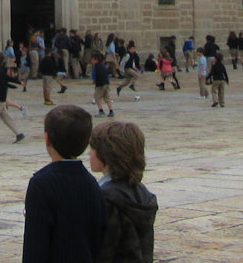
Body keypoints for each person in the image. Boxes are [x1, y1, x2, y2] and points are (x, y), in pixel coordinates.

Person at [22, 104, 105, 263]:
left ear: (47, 139)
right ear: (87, 142)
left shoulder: (41, 184)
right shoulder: (92, 183)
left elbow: (35, 245)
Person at [88, 119, 157, 263]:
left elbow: (103, 252)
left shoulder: (107, 199)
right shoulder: (141, 192)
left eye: (93, 148)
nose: (89, 153)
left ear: (106, 153)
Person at [91, 53, 114, 118]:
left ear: (96, 60)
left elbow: (94, 75)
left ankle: (101, 111)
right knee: (107, 98)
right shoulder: (104, 65)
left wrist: (94, 81)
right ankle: (111, 111)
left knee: (97, 98)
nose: (91, 61)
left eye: (92, 60)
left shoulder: (96, 66)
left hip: (100, 84)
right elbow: (108, 73)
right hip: (106, 83)